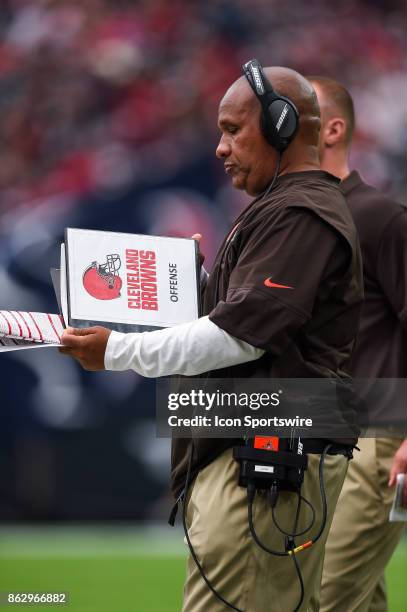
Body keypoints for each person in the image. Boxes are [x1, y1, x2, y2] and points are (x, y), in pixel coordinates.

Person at [60, 63, 363, 611]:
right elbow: (255, 324)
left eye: (232, 129)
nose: (221, 148)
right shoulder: (280, 210)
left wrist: (115, 351)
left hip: (267, 462)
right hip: (256, 461)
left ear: (280, 126)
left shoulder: (303, 212)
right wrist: (197, 286)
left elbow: (238, 338)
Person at [309, 76, 407, 612]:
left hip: (377, 437)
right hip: (316, 436)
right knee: (357, 602)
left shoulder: (379, 217)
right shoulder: (295, 220)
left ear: (333, 129)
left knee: (319, 598)